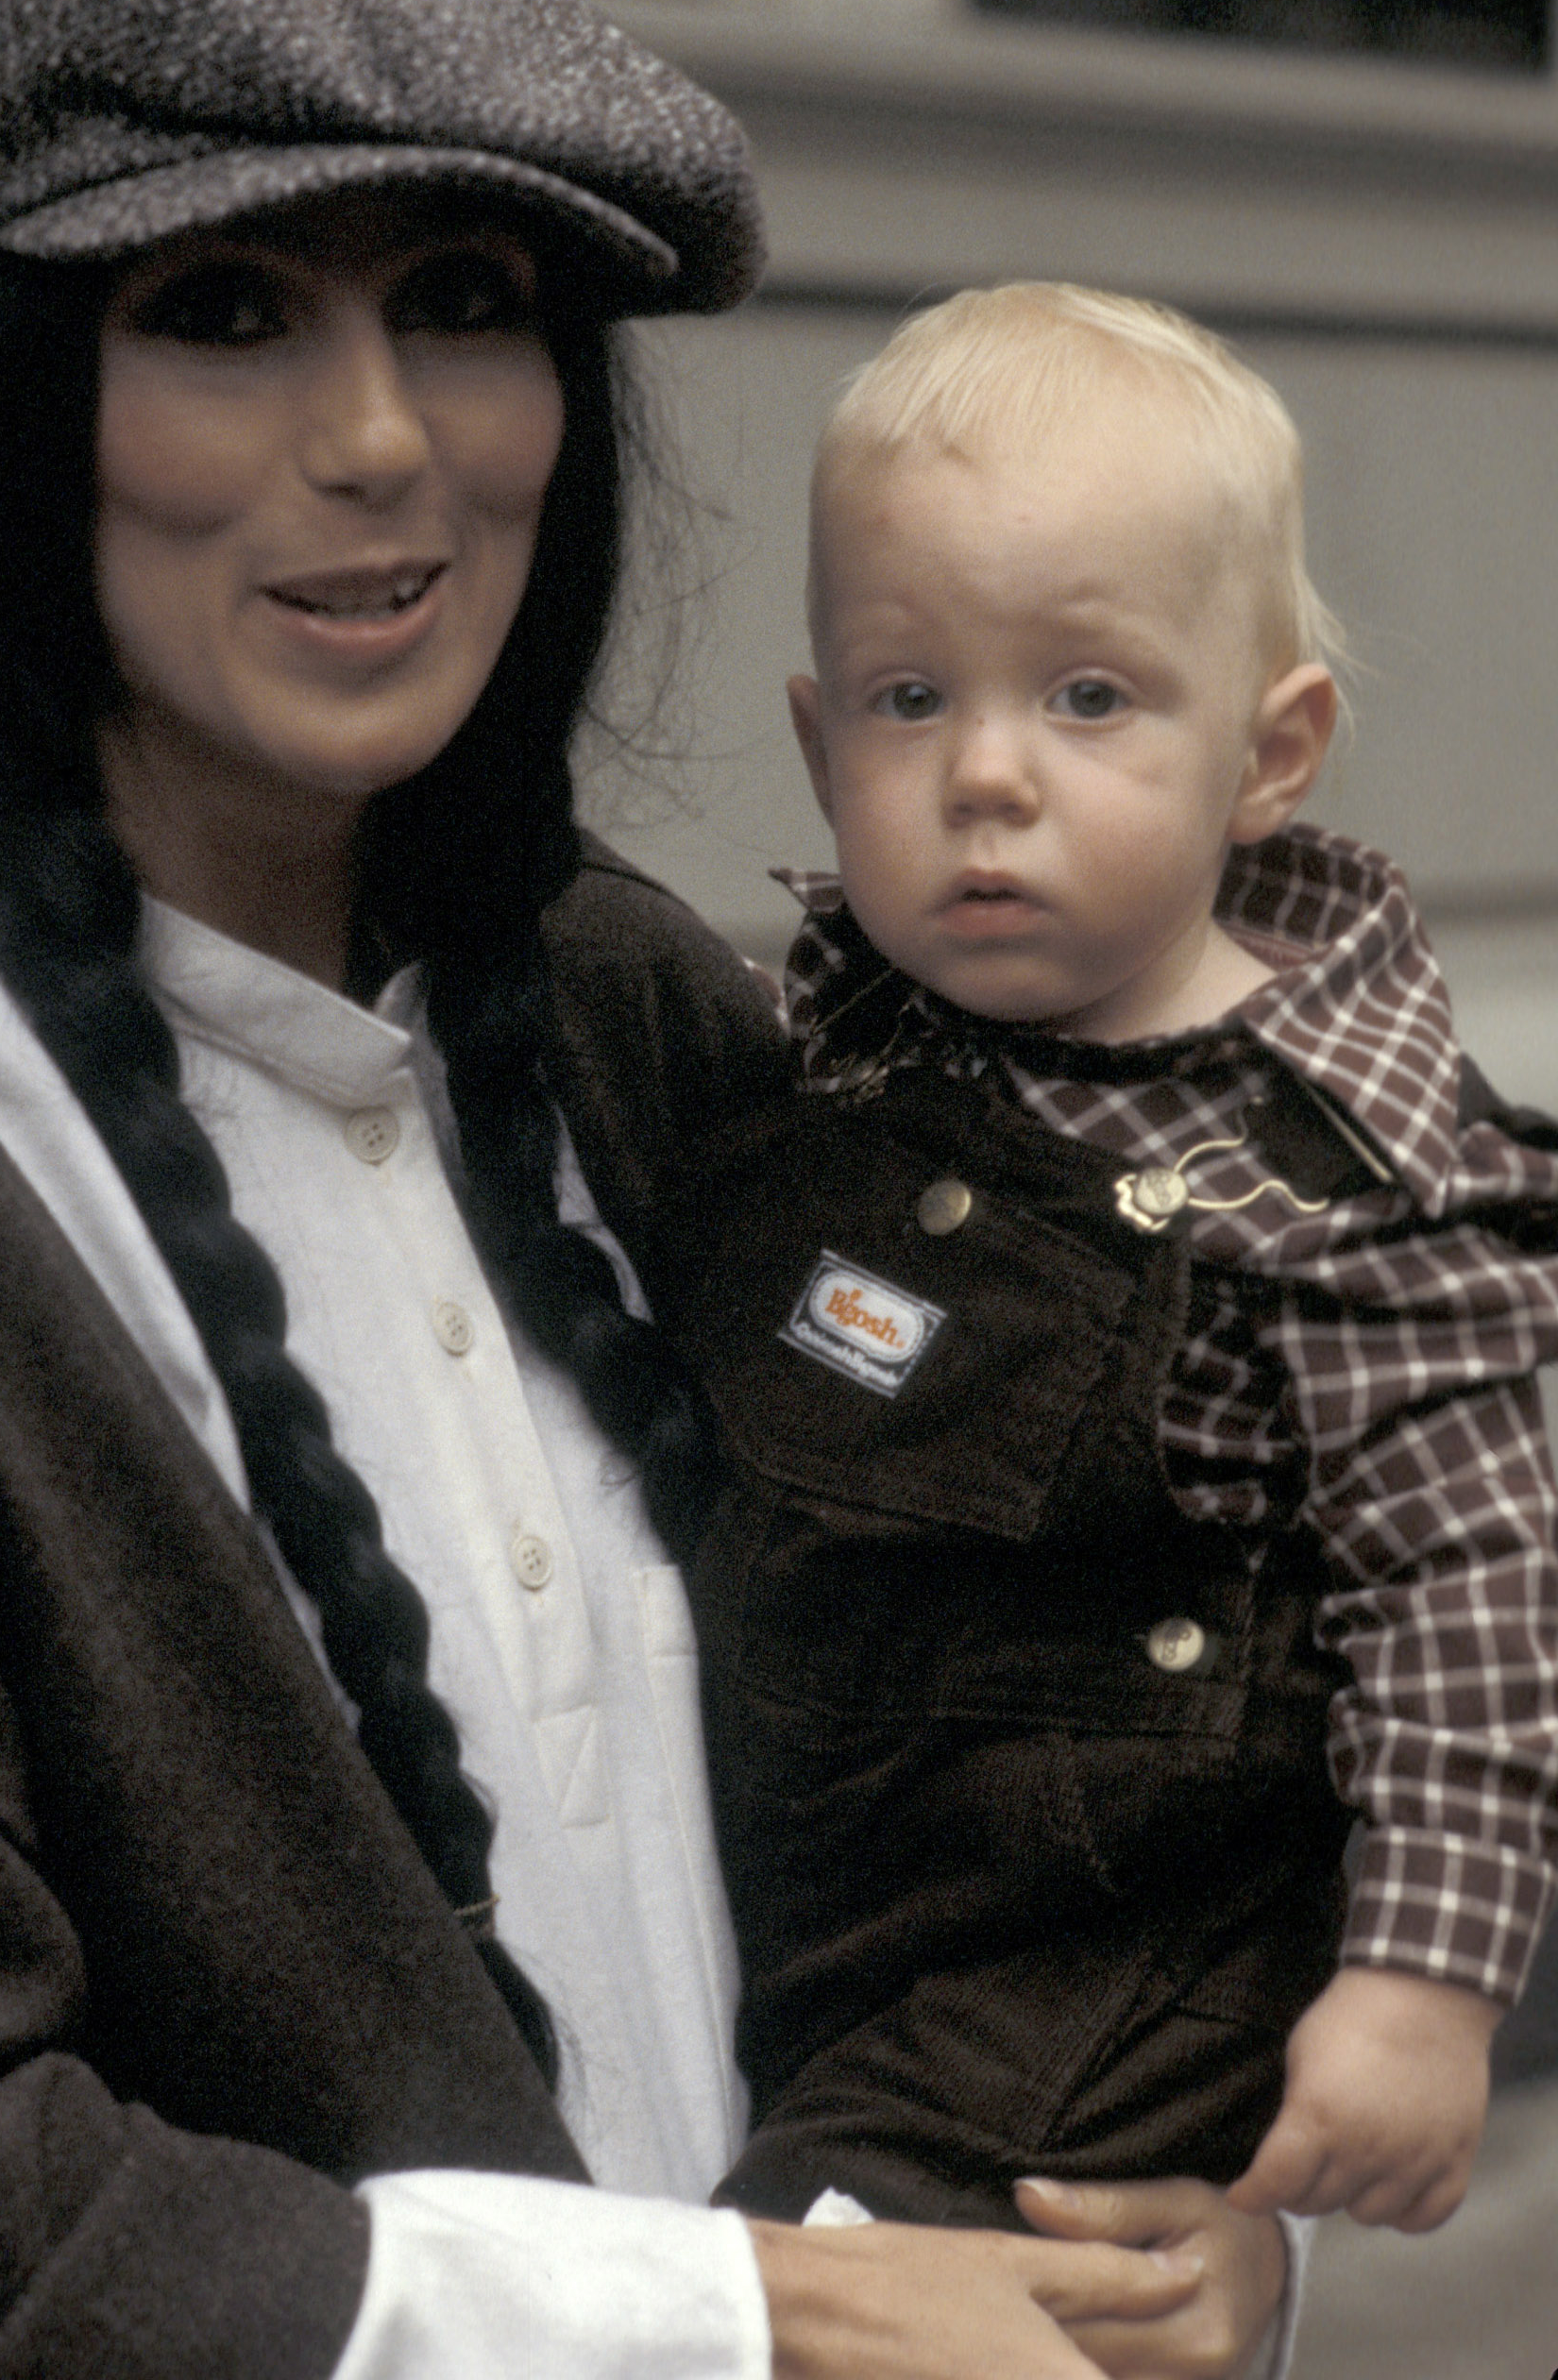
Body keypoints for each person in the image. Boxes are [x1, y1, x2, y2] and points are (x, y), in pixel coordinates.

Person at [0, 0, 1289, 2380]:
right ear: (19, 418)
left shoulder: (645, 1032)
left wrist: (1160, 2211)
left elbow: (1009, 1766)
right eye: (225, 314)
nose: (378, 439)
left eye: (467, 308)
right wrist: (741, 2323)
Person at [647, 282, 1558, 2245]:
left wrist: (1418, 1988)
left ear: (1268, 750)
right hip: (816, 1886)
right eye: (909, 699)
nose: (986, 775)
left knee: (838, 2277)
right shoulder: (838, 1048)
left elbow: (1475, 1593)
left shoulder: (1339, 1179)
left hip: (1103, 1959)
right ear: (818, 744)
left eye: (1087, 698)